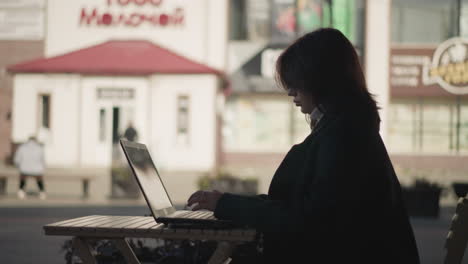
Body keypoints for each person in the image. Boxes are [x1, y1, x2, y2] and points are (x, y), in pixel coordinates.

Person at [187, 28, 420, 263]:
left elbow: (308, 220)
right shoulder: (348, 126)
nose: (290, 92)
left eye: (295, 82)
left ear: (319, 79)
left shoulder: (343, 135)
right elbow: (302, 207)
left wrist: (226, 204)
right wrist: (225, 202)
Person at [14, 136, 46, 200]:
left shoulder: (22, 147)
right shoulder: (39, 148)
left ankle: (21, 192)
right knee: (39, 180)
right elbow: (42, 159)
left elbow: (17, 158)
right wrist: (42, 167)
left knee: (23, 179)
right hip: (37, 168)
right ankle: (42, 192)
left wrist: (18, 165)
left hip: (24, 168)